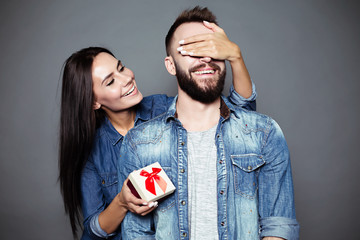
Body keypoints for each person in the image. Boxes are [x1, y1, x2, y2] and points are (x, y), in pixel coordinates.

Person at [59, 20, 256, 239]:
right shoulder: (92, 151)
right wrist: (122, 202)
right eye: (111, 82)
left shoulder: (165, 109)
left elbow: (240, 113)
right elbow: (93, 230)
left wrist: (235, 57)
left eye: (121, 68)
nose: (127, 79)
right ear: (94, 102)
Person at [118, 6, 299, 240]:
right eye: (192, 50)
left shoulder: (264, 133)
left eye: (213, 49)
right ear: (170, 65)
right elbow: (137, 233)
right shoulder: (139, 143)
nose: (206, 58)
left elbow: (278, 225)